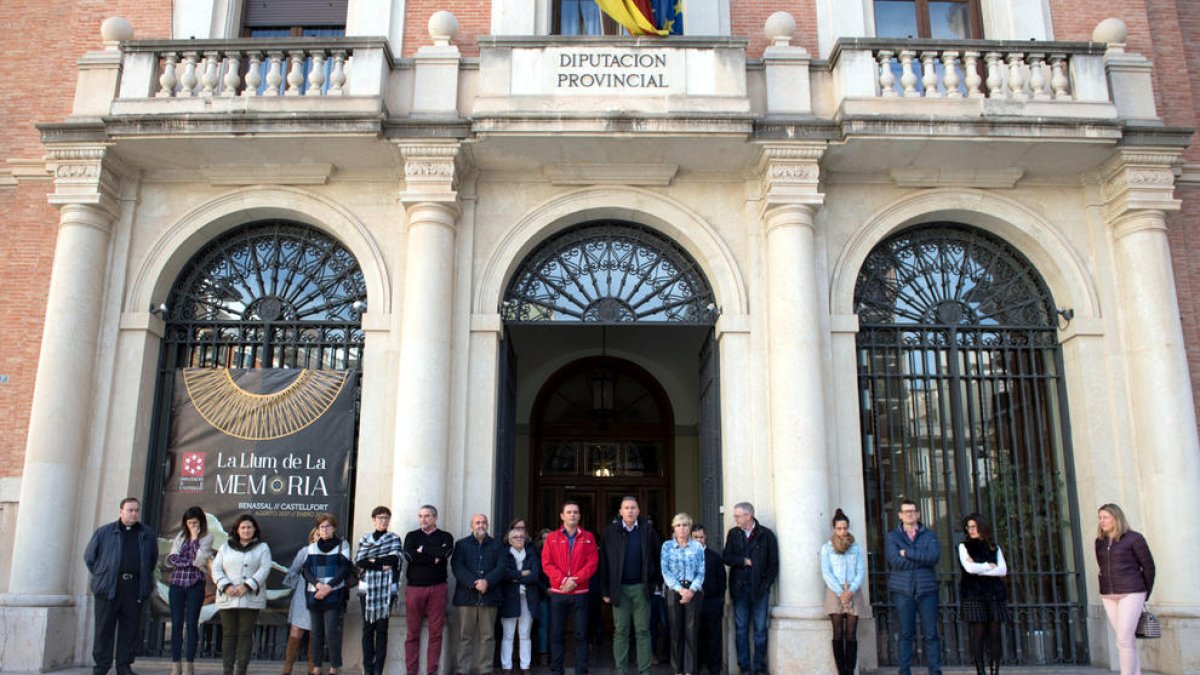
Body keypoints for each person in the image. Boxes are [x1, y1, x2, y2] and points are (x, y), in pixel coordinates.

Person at [84, 497, 158, 675]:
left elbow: (152, 560)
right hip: (109, 587)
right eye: (130, 510)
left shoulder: (147, 534)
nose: (134, 513)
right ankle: (101, 667)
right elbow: (90, 557)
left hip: (134, 588)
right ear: (121, 511)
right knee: (104, 630)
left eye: (136, 510)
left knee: (130, 629)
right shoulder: (105, 532)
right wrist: (103, 575)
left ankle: (124, 666)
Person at [598, 495, 662, 675]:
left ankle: (645, 671)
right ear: (620, 512)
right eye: (626, 508)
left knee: (643, 631)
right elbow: (603, 562)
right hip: (619, 590)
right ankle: (621, 671)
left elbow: (659, 557)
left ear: (639, 511)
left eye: (633, 507)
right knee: (621, 631)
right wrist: (604, 589)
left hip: (642, 588)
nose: (630, 511)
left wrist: (657, 582)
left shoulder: (648, 531)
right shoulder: (610, 532)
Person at [1096, 503, 1155, 675]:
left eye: (1105, 517)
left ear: (1116, 518)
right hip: (1108, 594)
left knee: (1124, 639)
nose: (1102, 521)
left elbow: (1149, 567)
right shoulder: (1099, 542)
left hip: (1132, 592)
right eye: (1100, 517)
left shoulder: (1134, 538)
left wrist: (1144, 593)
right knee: (1124, 640)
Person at [542, 500, 599, 675]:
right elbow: (547, 563)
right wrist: (563, 580)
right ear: (562, 516)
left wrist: (575, 580)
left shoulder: (588, 537)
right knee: (557, 634)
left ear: (579, 515)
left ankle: (581, 670)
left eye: (575, 512)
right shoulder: (552, 537)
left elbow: (592, 562)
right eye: (569, 512)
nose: (572, 515)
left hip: (580, 592)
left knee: (581, 634)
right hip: (559, 593)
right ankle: (557, 670)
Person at [885, 499, 942, 675]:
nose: (909, 514)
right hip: (903, 591)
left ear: (918, 514)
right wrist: (920, 559)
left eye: (912, 511)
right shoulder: (892, 537)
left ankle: (935, 670)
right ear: (900, 515)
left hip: (927, 591)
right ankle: (904, 670)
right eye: (906, 511)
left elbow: (933, 558)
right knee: (905, 633)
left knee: (931, 634)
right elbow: (895, 561)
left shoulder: (929, 535)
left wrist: (908, 553)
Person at [722, 501, 778, 675]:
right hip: (739, 590)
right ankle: (744, 667)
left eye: (738, 516)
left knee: (760, 629)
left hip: (760, 590)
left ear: (749, 516)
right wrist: (743, 561)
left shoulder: (766, 535)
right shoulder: (733, 534)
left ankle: (759, 666)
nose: (735, 519)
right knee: (741, 629)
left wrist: (765, 585)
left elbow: (773, 565)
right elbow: (726, 557)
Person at [213, 514, 273, 675]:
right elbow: (216, 568)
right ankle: (227, 670)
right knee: (229, 633)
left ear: (254, 530)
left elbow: (265, 568)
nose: (246, 530)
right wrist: (226, 586)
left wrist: (248, 585)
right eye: (243, 527)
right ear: (237, 530)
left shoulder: (263, 548)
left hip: (250, 597)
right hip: (228, 596)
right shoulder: (225, 546)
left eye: (249, 527)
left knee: (245, 633)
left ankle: (241, 670)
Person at [452, 513, 506, 675]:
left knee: (488, 636)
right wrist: (475, 582)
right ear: (471, 525)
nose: (480, 525)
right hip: (466, 598)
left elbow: (502, 567)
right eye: (477, 523)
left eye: (483, 522)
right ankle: (462, 669)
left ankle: (485, 669)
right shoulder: (461, 545)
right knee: (464, 637)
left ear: (487, 525)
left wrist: (487, 582)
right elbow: (457, 566)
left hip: (489, 597)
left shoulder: (497, 545)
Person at [404, 504, 455, 675]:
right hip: (414, 589)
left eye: (426, 516)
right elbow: (409, 556)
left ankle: (431, 671)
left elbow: (444, 553)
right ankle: (411, 671)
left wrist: (424, 550)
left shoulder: (446, 536)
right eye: (420, 516)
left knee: (436, 633)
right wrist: (433, 557)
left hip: (438, 588)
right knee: (412, 634)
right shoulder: (412, 536)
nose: (422, 520)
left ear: (435, 518)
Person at [958, 513, 1009, 675]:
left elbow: (1003, 570)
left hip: (994, 594)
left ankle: (995, 671)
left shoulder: (994, 546)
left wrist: (980, 568)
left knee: (995, 634)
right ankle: (981, 671)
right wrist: (989, 565)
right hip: (974, 594)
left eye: (974, 526)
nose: (971, 530)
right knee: (978, 635)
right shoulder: (963, 546)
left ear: (981, 526)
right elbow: (969, 569)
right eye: (968, 527)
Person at [356, 506, 404, 675]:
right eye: (380, 517)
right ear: (374, 519)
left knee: (382, 629)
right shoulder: (365, 538)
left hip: (386, 590)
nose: (384, 521)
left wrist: (372, 560)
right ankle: (368, 669)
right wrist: (380, 564)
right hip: (367, 590)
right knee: (368, 629)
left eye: (386, 518)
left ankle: (378, 670)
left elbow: (394, 559)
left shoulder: (394, 538)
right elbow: (360, 561)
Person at [166, 506, 214, 675]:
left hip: (195, 583)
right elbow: (172, 558)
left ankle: (189, 665)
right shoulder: (180, 536)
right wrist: (187, 559)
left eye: (195, 523)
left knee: (192, 624)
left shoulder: (207, 537)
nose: (192, 526)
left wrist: (194, 538)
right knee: (176, 623)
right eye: (189, 523)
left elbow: (198, 561)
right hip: (177, 584)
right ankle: (175, 664)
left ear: (201, 522)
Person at [303, 513, 353, 675]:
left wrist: (328, 587)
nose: (325, 530)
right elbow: (306, 570)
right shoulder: (312, 547)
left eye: (328, 526)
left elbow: (345, 569)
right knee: (316, 632)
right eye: (321, 527)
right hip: (315, 593)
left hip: (334, 593)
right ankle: (316, 666)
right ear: (318, 529)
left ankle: (334, 666)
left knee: (331, 631)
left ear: (334, 528)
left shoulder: (342, 545)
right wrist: (318, 586)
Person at [820, 508, 866, 675]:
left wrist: (850, 590)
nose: (842, 531)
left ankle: (850, 669)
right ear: (834, 528)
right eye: (839, 528)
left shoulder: (856, 547)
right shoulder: (827, 548)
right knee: (838, 633)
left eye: (845, 528)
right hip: (835, 591)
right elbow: (826, 572)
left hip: (853, 591)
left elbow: (861, 570)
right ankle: (842, 671)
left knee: (851, 634)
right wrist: (840, 592)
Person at [661, 512, 705, 675]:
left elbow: (701, 571)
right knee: (675, 632)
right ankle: (677, 670)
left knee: (691, 632)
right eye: (678, 525)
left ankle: (689, 671)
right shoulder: (666, 546)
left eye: (685, 525)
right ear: (673, 527)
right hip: (674, 590)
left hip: (693, 591)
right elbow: (665, 571)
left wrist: (691, 590)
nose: (682, 528)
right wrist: (680, 590)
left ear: (690, 527)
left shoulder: (697, 547)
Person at [501, 525, 542, 675]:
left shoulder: (532, 554)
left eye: (521, 537)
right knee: (508, 634)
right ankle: (507, 666)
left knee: (525, 633)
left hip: (528, 598)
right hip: (509, 598)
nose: (519, 539)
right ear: (509, 540)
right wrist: (521, 574)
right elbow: (503, 575)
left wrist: (514, 578)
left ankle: (525, 666)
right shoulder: (504, 554)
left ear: (525, 539)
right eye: (515, 537)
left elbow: (534, 576)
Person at [283, 528, 320, 675]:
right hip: (302, 596)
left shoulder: (333, 552)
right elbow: (293, 570)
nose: (321, 536)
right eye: (317, 534)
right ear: (312, 537)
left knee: (315, 631)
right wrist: (299, 584)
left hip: (322, 596)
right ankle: (288, 666)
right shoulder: (305, 551)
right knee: (297, 630)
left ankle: (312, 667)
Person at [690, 525, 725, 675]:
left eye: (701, 537)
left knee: (714, 637)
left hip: (712, 602)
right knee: (694, 636)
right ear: (691, 538)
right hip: (692, 603)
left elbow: (722, 581)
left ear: (706, 537)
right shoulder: (686, 557)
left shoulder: (715, 557)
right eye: (696, 537)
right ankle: (694, 668)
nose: (699, 540)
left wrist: (719, 599)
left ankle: (714, 669)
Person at [533, 528, 553, 666]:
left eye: (549, 538)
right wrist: (545, 589)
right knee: (543, 625)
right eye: (544, 538)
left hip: (557, 592)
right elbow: (535, 576)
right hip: (541, 593)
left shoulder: (558, 554)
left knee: (555, 625)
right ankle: (543, 653)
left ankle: (554, 653)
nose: (547, 541)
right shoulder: (536, 555)